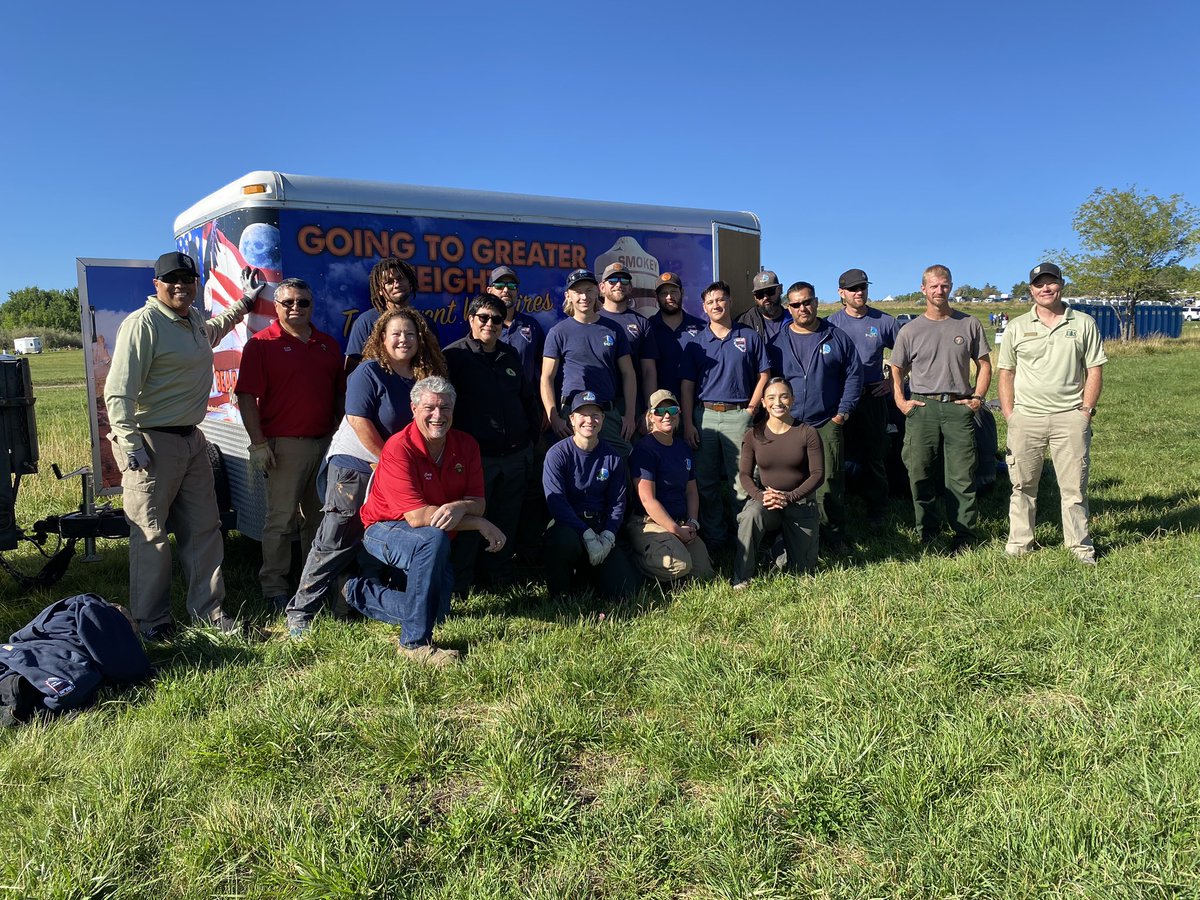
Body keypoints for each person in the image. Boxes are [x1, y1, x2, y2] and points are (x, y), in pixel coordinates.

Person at [103, 251, 256, 639]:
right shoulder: (144, 324)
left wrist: (246, 303)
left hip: (191, 440)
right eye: (171, 280)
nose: (180, 286)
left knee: (205, 528)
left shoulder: (192, 321)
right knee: (151, 534)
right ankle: (153, 623)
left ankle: (209, 613)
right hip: (152, 442)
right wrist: (130, 441)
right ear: (156, 285)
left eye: (187, 280)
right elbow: (118, 392)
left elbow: (216, 328)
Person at [285, 308, 446, 637]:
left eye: (410, 334)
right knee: (335, 539)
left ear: (421, 339)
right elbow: (359, 421)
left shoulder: (422, 377)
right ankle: (300, 613)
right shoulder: (368, 372)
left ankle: (353, 603)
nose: (404, 339)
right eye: (396, 334)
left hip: (394, 469)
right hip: (355, 466)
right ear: (382, 338)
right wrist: (389, 461)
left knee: (377, 539)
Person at [343, 377, 506, 666]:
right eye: (429, 407)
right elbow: (418, 517)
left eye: (445, 407)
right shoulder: (398, 448)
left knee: (437, 611)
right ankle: (414, 644)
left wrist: (461, 507)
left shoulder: (466, 445)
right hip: (383, 528)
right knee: (433, 537)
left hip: (430, 535)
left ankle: (355, 591)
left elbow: (478, 502)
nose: (437, 415)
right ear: (414, 409)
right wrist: (480, 524)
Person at [234, 277, 344, 610]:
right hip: (284, 447)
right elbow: (245, 396)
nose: (296, 307)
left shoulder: (327, 345)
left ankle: (314, 583)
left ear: (312, 306)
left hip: (325, 444)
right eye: (288, 302)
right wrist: (258, 444)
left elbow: (339, 394)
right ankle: (274, 588)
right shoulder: (261, 344)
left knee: (319, 520)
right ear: (276, 306)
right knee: (280, 521)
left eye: (303, 302)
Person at [998, 262, 1107, 564]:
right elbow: (1006, 372)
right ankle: (1020, 544)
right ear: (1031, 289)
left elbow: (1094, 368)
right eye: (1039, 284)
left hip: (1069, 417)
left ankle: (1079, 547)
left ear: (1061, 284)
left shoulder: (1083, 323)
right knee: (1022, 486)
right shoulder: (1017, 326)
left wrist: (1085, 410)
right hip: (1026, 419)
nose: (1045, 289)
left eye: (1051, 282)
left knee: (1074, 488)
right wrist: (1010, 414)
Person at [890, 264, 992, 552]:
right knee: (920, 472)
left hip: (958, 408)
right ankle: (929, 534)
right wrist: (901, 401)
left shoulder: (968, 324)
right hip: (923, 407)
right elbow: (896, 369)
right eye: (933, 286)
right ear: (923, 289)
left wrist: (978, 397)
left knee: (961, 475)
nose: (939, 290)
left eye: (944, 285)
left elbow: (984, 364)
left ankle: (964, 536)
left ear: (951, 287)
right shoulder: (911, 330)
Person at [443, 294, 538, 589]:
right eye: (483, 317)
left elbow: (526, 400)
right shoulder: (454, 357)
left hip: (515, 456)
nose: (490, 324)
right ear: (470, 319)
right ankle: (463, 584)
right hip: (475, 460)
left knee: (507, 518)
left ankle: (499, 578)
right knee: (472, 521)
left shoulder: (510, 355)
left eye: (496, 319)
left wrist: (531, 443)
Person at [770, 282, 862, 553]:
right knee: (790, 480)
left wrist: (842, 413)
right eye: (796, 304)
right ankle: (791, 538)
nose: (803, 308)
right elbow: (769, 383)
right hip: (791, 424)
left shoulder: (836, 337)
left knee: (830, 482)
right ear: (789, 307)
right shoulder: (778, 343)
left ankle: (833, 537)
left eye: (807, 302)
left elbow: (853, 376)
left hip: (826, 422)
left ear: (817, 302)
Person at [679, 280, 771, 553]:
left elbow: (764, 374)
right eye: (710, 302)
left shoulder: (749, 337)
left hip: (738, 416)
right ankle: (716, 539)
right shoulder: (696, 343)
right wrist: (688, 423)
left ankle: (744, 537)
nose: (716, 305)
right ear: (703, 308)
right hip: (704, 417)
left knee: (741, 483)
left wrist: (752, 410)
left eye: (720, 299)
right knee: (705, 482)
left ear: (730, 302)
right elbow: (687, 385)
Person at [542, 392, 643, 600]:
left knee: (626, 592)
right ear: (571, 419)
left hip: (600, 526)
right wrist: (585, 533)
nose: (589, 420)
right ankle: (560, 593)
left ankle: (589, 576)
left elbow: (617, 502)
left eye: (595, 414)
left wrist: (608, 535)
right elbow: (557, 503)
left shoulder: (613, 457)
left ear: (603, 419)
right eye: (582, 414)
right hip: (569, 525)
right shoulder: (557, 454)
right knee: (562, 541)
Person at [733, 378, 825, 588]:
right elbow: (745, 475)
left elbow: (818, 474)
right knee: (749, 516)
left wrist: (789, 497)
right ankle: (742, 576)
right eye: (771, 397)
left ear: (792, 400)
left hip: (800, 502)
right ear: (763, 402)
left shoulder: (807, 432)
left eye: (784, 396)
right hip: (767, 500)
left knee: (803, 573)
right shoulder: (753, 434)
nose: (778, 402)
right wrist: (761, 496)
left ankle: (778, 549)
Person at [827, 268, 899, 527]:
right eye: (853, 289)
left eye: (863, 288)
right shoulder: (832, 324)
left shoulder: (884, 322)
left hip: (872, 396)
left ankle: (877, 508)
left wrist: (891, 382)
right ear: (841, 293)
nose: (859, 292)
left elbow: (908, 355)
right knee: (838, 453)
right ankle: (839, 508)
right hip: (841, 398)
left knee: (874, 454)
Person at [541, 269, 637, 456]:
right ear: (568, 295)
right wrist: (554, 418)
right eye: (577, 292)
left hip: (607, 413)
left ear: (597, 292)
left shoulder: (614, 329)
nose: (584, 296)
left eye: (589, 290)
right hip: (572, 413)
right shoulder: (558, 332)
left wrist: (630, 415)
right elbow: (546, 377)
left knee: (622, 460)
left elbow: (628, 373)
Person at [626, 389, 713, 582]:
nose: (667, 416)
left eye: (672, 410)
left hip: (680, 522)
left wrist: (692, 522)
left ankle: (672, 559)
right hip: (649, 522)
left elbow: (691, 491)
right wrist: (676, 530)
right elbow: (648, 500)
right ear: (650, 416)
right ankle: (635, 560)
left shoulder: (683, 448)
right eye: (660, 411)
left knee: (703, 574)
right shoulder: (644, 450)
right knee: (680, 565)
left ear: (678, 414)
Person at [598, 262, 659, 412]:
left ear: (630, 288)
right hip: (598, 403)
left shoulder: (642, 323)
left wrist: (649, 409)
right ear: (602, 287)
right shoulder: (592, 320)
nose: (619, 284)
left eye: (624, 280)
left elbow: (648, 371)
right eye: (612, 280)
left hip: (631, 403)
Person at [344, 258, 418, 374]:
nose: (396, 284)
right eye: (389, 282)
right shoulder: (366, 321)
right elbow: (352, 367)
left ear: (410, 283)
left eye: (400, 278)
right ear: (379, 290)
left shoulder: (423, 322)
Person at [647, 272, 704, 398]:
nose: (669, 297)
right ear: (656, 297)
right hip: (661, 408)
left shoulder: (702, 327)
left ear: (682, 293)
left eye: (673, 291)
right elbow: (646, 372)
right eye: (663, 293)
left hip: (696, 404)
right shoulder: (647, 327)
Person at [489, 266, 545, 392]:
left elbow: (544, 369)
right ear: (489, 290)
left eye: (511, 286)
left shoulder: (532, 325)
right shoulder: (484, 326)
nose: (505, 290)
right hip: (494, 400)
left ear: (517, 291)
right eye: (499, 285)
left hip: (525, 403)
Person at [737, 269, 789, 342]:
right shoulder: (744, 323)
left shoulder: (793, 319)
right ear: (755, 297)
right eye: (760, 294)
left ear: (780, 290)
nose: (765, 297)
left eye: (770, 291)